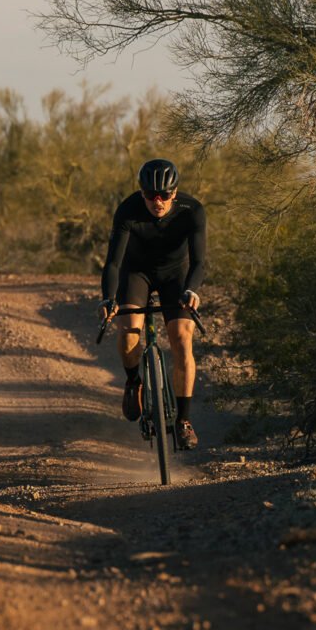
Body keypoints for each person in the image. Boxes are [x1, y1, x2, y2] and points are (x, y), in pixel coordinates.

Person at [98, 158, 207, 450]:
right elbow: (112, 263)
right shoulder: (128, 210)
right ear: (142, 192)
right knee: (129, 329)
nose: (157, 202)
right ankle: (134, 381)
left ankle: (183, 421)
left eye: (164, 195)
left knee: (182, 339)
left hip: (177, 275)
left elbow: (199, 262)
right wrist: (109, 298)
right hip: (136, 272)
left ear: (175, 192)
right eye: (150, 195)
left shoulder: (192, 210)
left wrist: (192, 290)